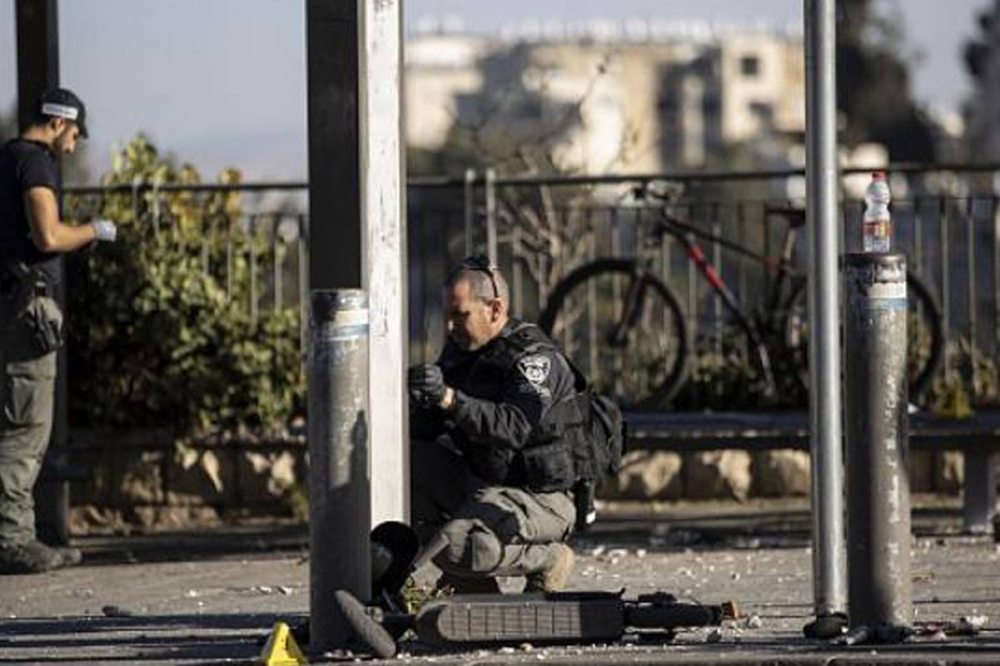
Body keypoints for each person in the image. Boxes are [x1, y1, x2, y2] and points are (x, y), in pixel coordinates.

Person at [408, 256, 581, 593]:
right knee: (404, 467)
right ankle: (470, 584)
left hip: (541, 498)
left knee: (464, 546)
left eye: (461, 315)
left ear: (495, 309)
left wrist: (448, 398)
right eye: (447, 316)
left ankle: (549, 559)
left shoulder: (535, 360)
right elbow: (430, 431)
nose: (450, 326)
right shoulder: (461, 352)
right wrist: (419, 401)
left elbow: (512, 427)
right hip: (483, 483)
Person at [0, 88, 117, 575]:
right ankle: (12, 539)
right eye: (75, 134)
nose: (74, 145)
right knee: (25, 426)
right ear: (58, 123)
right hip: (26, 309)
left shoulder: (5, 158)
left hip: (7, 299)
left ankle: (16, 533)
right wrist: (93, 230)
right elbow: (47, 235)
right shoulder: (34, 163)